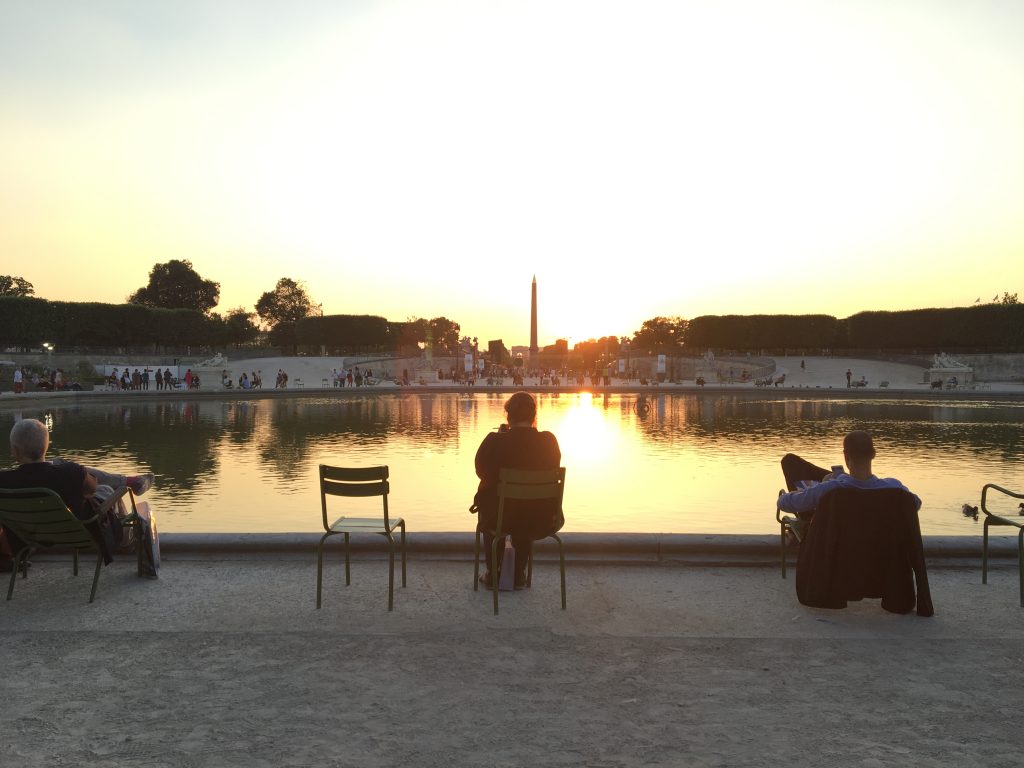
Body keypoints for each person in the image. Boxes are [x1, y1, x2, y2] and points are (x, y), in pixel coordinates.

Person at [0, 419, 155, 571]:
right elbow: (92, 488)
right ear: (46, 446)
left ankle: (128, 483)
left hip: (31, 537)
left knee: (59, 466)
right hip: (78, 535)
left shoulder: (4, 482)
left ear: (14, 451)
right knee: (107, 490)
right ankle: (127, 542)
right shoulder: (71, 473)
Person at [471, 391, 563, 589]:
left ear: (508, 415)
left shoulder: (494, 441)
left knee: (492, 506)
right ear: (533, 416)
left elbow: (481, 472)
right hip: (542, 518)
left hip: (500, 518)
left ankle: (493, 572)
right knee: (527, 509)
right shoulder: (549, 442)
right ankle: (519, 575)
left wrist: (502, 438)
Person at [777, 431, 920, 525]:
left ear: (846, 456)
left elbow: (783, 503)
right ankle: (844, 476)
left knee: (791, 462)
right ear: (873, 454)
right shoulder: (894, 488)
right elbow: (916, 503)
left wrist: (818, 487)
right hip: (878, 553)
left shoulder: (830, 490)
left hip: (837, 549)